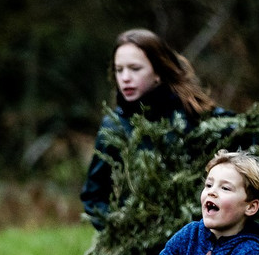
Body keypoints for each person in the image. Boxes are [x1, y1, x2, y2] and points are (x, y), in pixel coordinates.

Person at [80, 28, 222, 229]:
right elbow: (94, 195)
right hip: (136, 240)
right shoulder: (114, 126)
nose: (125, 78)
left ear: (158, 72)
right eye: (119, 70)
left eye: (135, 69)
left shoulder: (194, 115)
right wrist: (119, 228)